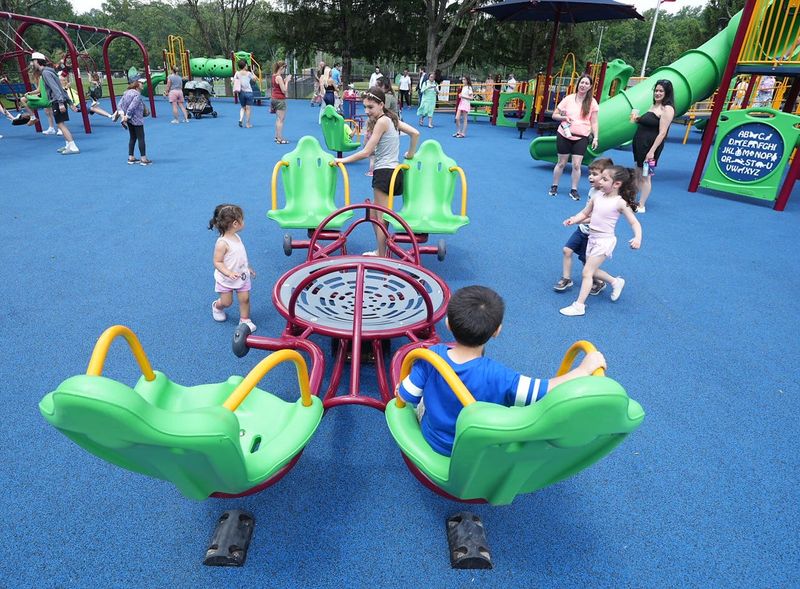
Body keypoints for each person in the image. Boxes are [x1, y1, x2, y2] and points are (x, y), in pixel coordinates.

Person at [396, 285, 608, 456]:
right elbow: (543, 391)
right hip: (474, 452)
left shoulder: (431, 356)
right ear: (497, 331)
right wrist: (582, 370)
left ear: (448, 324)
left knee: (421, 396)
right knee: (511, 405)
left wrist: (401, 389)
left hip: (433, 439)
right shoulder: (499, 376)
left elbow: (408, 396)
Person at [334, 86, 420, 257]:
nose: (366, 111)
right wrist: (410, 154)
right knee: (375, 212)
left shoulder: (382, 121)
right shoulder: (391, 119)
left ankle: (382, 255)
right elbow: (415, 133)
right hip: (395, 174)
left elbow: (366, 152)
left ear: (381, 104)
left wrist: (342, 160)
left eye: (370, 107)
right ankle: (381, 250)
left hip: (384, 174)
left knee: (381, 219)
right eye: (365, 107)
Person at [559, 166, 642, 317]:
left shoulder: (619, 203)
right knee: (592, 270)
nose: (600, 181)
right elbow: (585, 213)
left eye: (604, 179)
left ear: (616, 184)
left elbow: (634, 223)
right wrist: (573, 219)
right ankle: (615, 282)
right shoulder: (597, 197)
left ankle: (579, 305)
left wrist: (637, 238)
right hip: (592, 239)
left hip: (605, 241)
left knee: (587, 272)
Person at [553, 157, 615, 296]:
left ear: (606, 176)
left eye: (595, 174)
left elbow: (596, 218)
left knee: (586, 262)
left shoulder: (606, 198)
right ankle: (566, 278)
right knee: (567, 250)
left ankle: (601, 282)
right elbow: (586, 211)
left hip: (593, 235)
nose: (590, 177)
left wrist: (579, 221)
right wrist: (574, 218)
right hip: (581, 230)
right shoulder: (592, 191)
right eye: (590, 174)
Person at [549, 74, 599, 201]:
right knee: (561, 163)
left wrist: (595, 137)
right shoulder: (568, 99)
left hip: (581, 137)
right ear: (578, 84)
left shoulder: (592, 102)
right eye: (582, 82)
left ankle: (574, 189)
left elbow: (594, 122)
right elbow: (554, 115)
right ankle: (554, 186)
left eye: (586, 83)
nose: (583, 85)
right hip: (564, 134)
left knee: (577, 165)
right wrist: (563, 118)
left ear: (590, 86)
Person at [209, 204, 257, 333]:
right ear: (235, 223)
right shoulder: (222, 243)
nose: (244, 221)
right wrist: (228, 273)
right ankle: (217, 306)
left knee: (245, 299)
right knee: (227, 302)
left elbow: (240, 257)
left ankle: (245, 319)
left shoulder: (236, 237)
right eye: (243, 219)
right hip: (226, 279)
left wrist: (248, 268)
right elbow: (217, 262)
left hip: (241, 276)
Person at [631, 79, 675, 213]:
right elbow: (649, 122)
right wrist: (638, 119)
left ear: (667, 93)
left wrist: (651, 152)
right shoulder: (654, 105)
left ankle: (641, 204)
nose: (657, 93)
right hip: (640, 145)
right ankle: (633, 200)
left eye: (661, 91)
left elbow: (662, 133)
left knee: (646, 176)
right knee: (638, 173)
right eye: (656, 90)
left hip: (650, 148)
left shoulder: (667, 109)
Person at [31, 52, 79, 154]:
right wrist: (70, 103)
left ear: (37, 61)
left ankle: (73, 146)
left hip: (57, 101)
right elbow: (60, 88)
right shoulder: (50, 71)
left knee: (60, 125)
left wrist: (61, 102)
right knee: (60, 124)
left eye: (33, 61)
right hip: (59, 100)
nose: (32, 64)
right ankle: (68, 145)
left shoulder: (45, 73)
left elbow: (55, 88)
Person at [118, 79, 152, 165]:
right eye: (141, 83)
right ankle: (143, 159)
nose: (143, 84)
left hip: (129, 120)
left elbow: (119, 105)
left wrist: (123, 116)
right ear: (136, 84)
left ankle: (131, 157)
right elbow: (132, 107)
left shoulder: (126, 93)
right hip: (136, 119)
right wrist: (127, 116)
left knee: (132, 137)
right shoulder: (137, 95)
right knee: (141, 137)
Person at [272, 60, 291, 144]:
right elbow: (284, 90)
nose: (284, 71)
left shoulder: (274, 76)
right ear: (281, 68)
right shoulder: (279, 77)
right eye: (284, 69)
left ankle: (277, 136)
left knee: (278, 119)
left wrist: (284, 81)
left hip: (274, 98)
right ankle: (280, 139)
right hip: (279, 99)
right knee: (281, 119)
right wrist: (286, 81)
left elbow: (278, 86)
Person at [234, 60, 257, 128]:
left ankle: (240, 119)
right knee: (248, 109)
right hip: (249, 92)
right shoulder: (249, 73)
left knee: (243, 107)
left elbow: (234, 81)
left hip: (241, 93)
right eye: (246, 65)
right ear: (244, 66)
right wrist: (252, 72)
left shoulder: (237, 73)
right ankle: (247, 124)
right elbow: (255, 79)